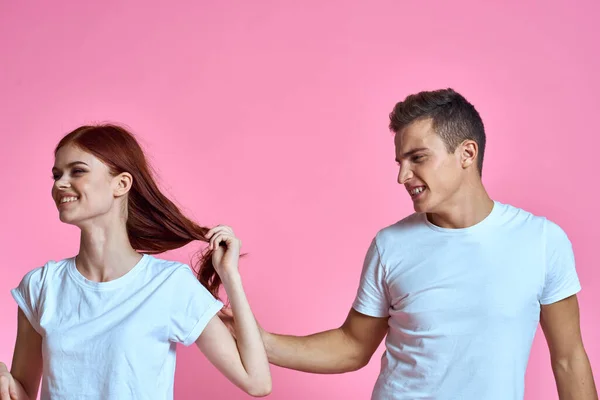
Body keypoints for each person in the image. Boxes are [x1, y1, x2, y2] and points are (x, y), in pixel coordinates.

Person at [221, 88, 598, 399]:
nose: (403, 175)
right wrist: (259, 340)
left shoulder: (542, 241)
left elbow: (568, 358)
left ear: (467, 154)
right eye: (400, 161)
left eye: (417, 158)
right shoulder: (391, 245)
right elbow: (353, 346)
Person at [0, 125, 271, 400]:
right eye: (57, 175)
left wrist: (230, 277)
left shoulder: (168, 284)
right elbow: (21, 393)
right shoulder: (41, 285)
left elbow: (257, 382)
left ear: (122, 184)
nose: (59, 184)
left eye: (77, 171)